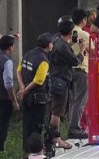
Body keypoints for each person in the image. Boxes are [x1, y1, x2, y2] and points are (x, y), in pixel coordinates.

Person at [17, 34, 53, 146]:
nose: (53, 45)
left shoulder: (28, 54)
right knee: (37, 126)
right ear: (48, 45)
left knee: (27, 125)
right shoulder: (43, 60)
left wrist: (22, 87)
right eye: (52, 43)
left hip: (27, 99)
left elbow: (18, 70)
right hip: (38, 100)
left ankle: (27, 149)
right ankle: (35, 151)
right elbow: (38, 81)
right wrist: (25, 91)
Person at [48, 18, 77, 149]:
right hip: (61, 81)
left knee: (56, 111)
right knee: (57, 112)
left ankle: (55, 137)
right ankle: (56, 139)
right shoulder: (63, 47)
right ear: (71, 32)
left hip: (53, 78)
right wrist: (81, 50)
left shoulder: (55, 40)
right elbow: (75, 61)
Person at [68, 9, 90, 139]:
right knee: (80, 101)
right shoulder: (84, 34)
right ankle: (75, 129)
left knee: (72, 101)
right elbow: (94, 50)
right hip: (81, 70)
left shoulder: (70, 33)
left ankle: (72, 126)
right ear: (83, 20)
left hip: (70, 70)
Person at [0, 36, 17, 153]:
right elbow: (9, 83)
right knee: (2, 126)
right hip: (4, 99)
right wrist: (14, 100)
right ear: (10, 47)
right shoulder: (7, 61)